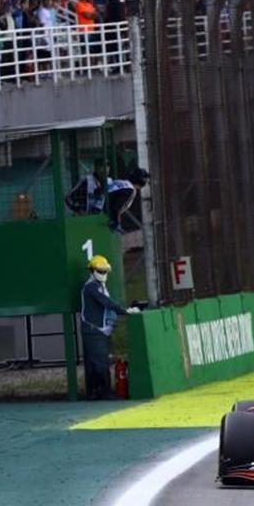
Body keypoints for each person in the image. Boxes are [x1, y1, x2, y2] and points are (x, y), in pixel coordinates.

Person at [80, 255, 139, 400]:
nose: (103, 273)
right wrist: (125, 311)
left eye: (105, 270)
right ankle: (104, 392)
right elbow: (106, 303)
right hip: (94, 330)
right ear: (92, 271)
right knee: (100, 363)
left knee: (96, 363)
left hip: (98, 330)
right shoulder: (91, 288)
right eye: (100, 270)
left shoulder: (98, 287)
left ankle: (95, 393)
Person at [105, 167, 149, 233]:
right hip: (102, 211)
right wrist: (116, 222)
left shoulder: (121, 182)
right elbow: (116, 206)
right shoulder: (130, 189)